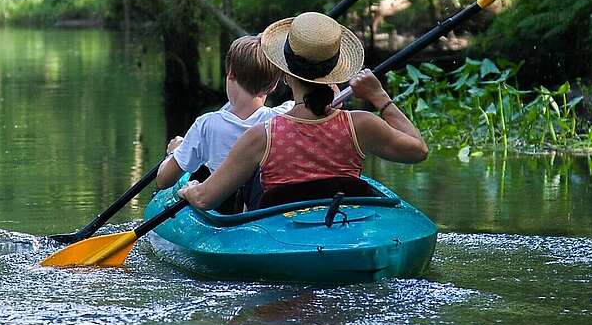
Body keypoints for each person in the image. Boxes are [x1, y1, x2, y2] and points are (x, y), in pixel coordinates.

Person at [178, 12, 428, 211]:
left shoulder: (262, 135)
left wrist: (190, 188)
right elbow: (418, 151)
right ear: (334, 71)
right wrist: (379, 97)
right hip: (342, 231)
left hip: (281, 239)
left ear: (285, 74)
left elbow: (204, 200)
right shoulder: (362, 125)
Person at [155, 35, 292, 211]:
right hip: (262, 208)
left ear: (230, 73)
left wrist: (174, 153)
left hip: (224, 211)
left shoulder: (206, 125)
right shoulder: (282, 117)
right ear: (273, 86)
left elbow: (163, 180)